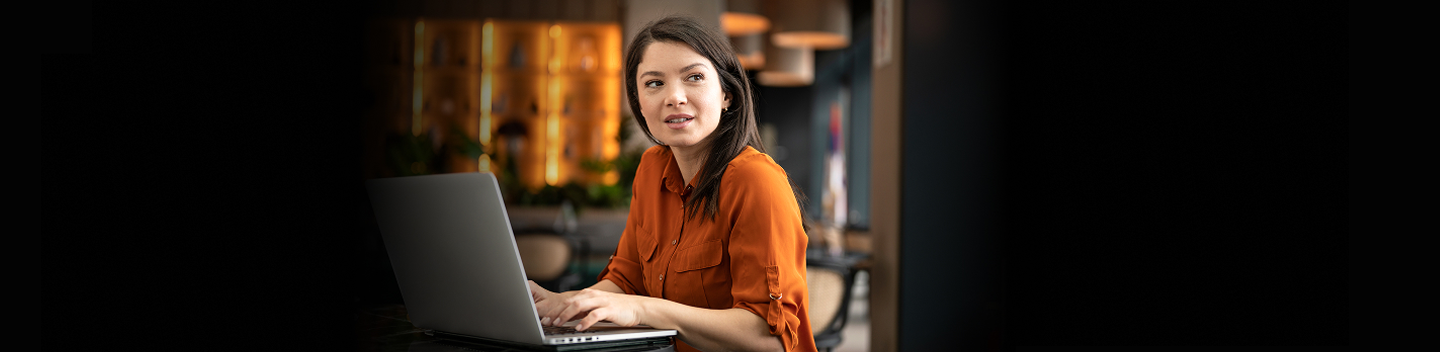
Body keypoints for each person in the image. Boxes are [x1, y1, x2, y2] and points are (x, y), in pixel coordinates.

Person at [527, 15, 816, 352]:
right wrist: (564, 304)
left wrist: (643, 310)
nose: (674, 97)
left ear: (727, 94)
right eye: (654, 83)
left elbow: (770, 339)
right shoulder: (651, 169)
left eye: (694, 77)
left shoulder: (757, 181)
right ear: (638, 102)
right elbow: (626, 281)